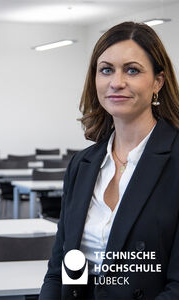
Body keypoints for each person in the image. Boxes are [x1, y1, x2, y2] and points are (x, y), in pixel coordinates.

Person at [39, 21, 179, 300]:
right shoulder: (82, 165)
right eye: (106, 70)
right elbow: (59, 271)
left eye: (132, 70)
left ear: (158, 82)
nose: (117, 82)